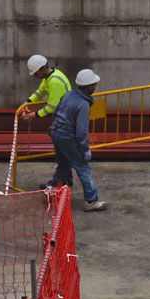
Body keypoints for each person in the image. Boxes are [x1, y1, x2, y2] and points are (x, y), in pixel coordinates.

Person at [47, 68, 106, 211]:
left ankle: (51, 190)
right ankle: (91, 201)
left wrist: (53, 130)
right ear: (89, 86)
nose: (95, 87)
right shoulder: (83, 104)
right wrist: (85, 150)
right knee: (83, 167)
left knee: (64, 164)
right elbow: (81, 132)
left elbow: (56, 112)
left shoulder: (68, 95)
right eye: (94, 85)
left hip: (57, 132)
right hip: (68, 136)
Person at [21, 54, 71, 121]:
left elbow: (52, 107)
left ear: (43, 68)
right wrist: (27, 102)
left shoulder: (55, 81)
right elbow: (40, 92)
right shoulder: (48, 77)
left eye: (36, 73)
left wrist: (34, 115)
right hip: (62, 115)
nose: (35, 76)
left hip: (66, 117)